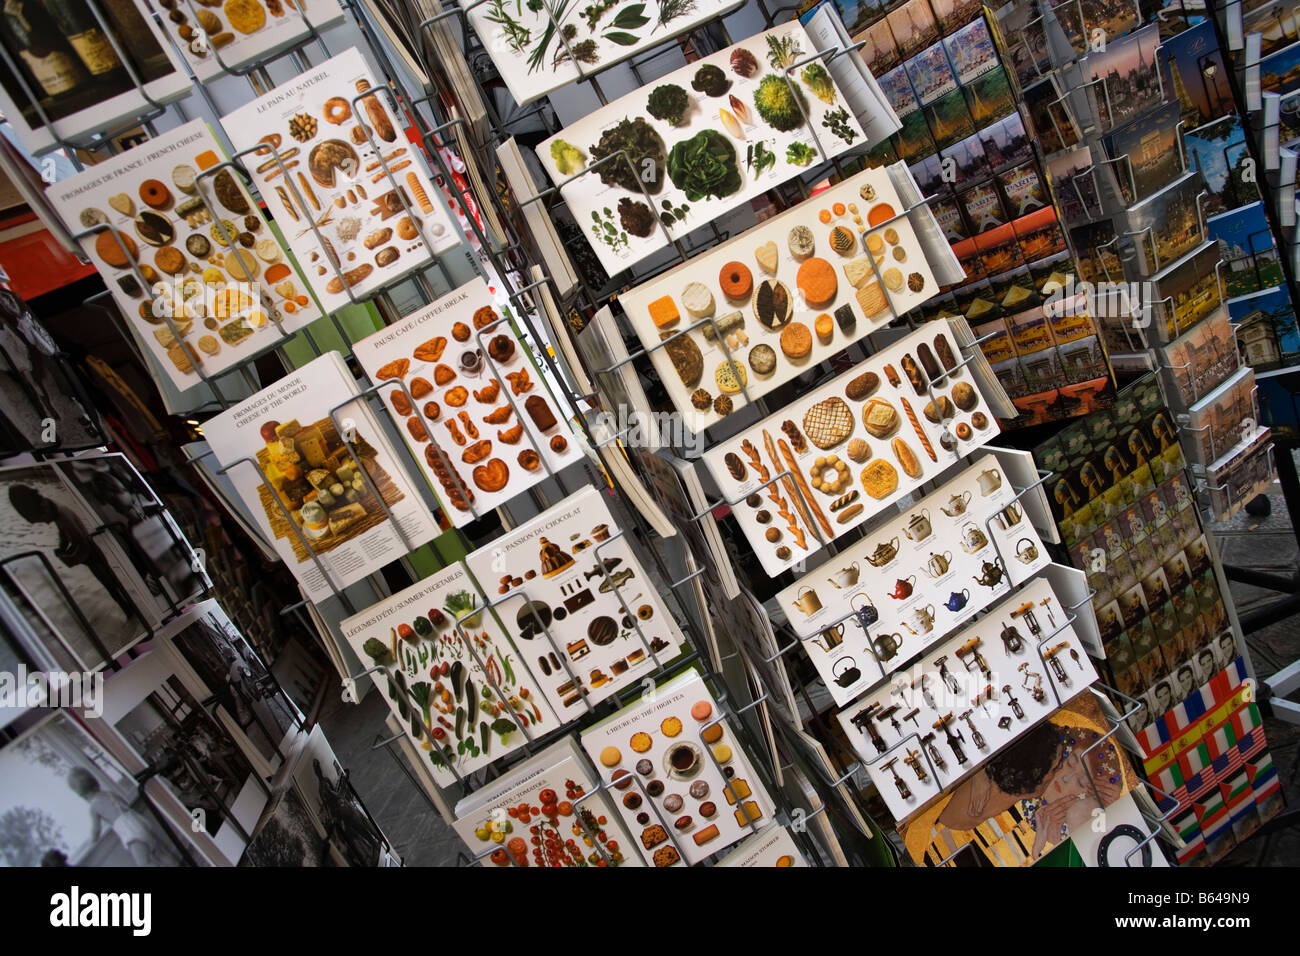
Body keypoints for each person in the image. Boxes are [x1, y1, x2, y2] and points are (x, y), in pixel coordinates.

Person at [7, 483, 138, 625]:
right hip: (88, 551)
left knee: (110, 583)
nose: (45, 522)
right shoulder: (55, 511)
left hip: (91, 554)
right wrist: (62, 547)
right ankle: (129, 609)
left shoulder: (62, 515)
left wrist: (68, 558)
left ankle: (129, 610)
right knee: (110, 582)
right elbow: (63, 533)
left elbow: (80, 542)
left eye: (43, 519)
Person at [68, 766, 178, 866]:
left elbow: (96, 830)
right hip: (138, 821)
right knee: (161, 852)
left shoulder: (94, 807)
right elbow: (124, 804)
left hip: (130, 832)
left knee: (144, 863)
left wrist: (93, 841)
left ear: (81, 794)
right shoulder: (110, 793)